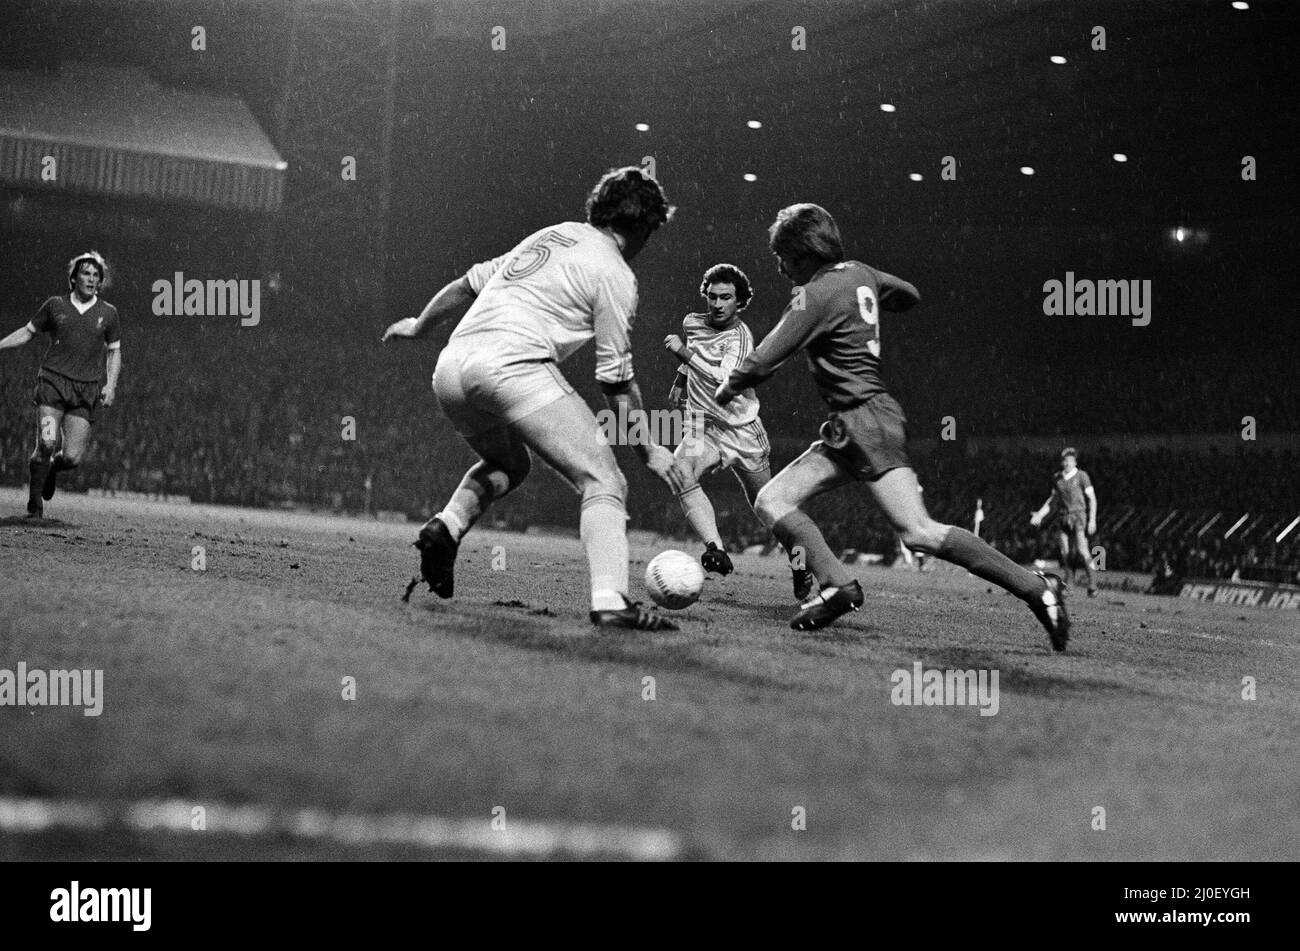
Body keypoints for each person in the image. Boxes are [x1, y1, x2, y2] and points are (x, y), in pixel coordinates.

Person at [714, 204, 1070, 649]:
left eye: (781, 256)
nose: (780, 267)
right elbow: (909, 295)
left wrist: (727, 392)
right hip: (855, 422)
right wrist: (873, 301)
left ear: (802, 252)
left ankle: (1037, 588)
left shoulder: (816, 293)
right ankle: (837, 585)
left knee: (919, 532)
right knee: (773, 499)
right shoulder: (860, 273)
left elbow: (765, 357)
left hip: (864, 419)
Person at [383, 166, 685, 630]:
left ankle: (447, 525)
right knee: (604, 481)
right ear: (643, 227)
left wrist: (419, 325)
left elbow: (466, 284)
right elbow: (616, 383)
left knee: (509, 465)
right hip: (511, 367)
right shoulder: (615, 272)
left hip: (450, 366)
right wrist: (648, 448)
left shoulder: (552, 235)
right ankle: (611, 600)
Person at [662, 263, 812, 600]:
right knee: (680, 471)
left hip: (742, 431)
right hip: (704, 427)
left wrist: (681, 353)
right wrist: (680, 379)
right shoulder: (692, 322)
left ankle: (800, 562)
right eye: (712, 296)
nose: (716, 303)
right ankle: (715, 549)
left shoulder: (741, 337)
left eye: (725, 297)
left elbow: (723, 379)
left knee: (769, 509)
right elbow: (694, 354)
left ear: (739, 301)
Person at [0, 251, 122, 518]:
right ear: (74, 277)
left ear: (100, 281)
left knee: (72, 459)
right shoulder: (55, 305)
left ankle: (52, 468)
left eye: (95, 275)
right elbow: (28, 331)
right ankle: (35, 506)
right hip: (53, 383)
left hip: (86, 390)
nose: (91, 279)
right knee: (46, 442)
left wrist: (110, 385)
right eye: (86, 273)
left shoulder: (108, 314)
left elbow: (114, 352)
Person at [1030, 447, 1099, 596]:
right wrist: (1040, 515)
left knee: (1082, 549)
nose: (1066, 463)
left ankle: (1093, 584)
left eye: (1069, 460)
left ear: (1074, 461)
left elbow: (1092, 499)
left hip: (1078, 516)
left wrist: (1092, 519)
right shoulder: (1058, 478)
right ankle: (1069, 585)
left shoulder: (1082, 476)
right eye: (1064, 460)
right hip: (1062, 517)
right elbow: (1053, 501)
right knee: (1065, 552)